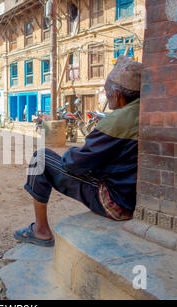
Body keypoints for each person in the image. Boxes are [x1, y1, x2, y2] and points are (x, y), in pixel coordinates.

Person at [14, 55, 142, 247]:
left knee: (40, 159)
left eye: (107, 93)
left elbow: (75, 164)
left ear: (117, 95)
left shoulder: (118, 121)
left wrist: (70, 153)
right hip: (133, 197)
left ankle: (40, 230)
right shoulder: (144, 111)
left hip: (116, 202)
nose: (107, 97)